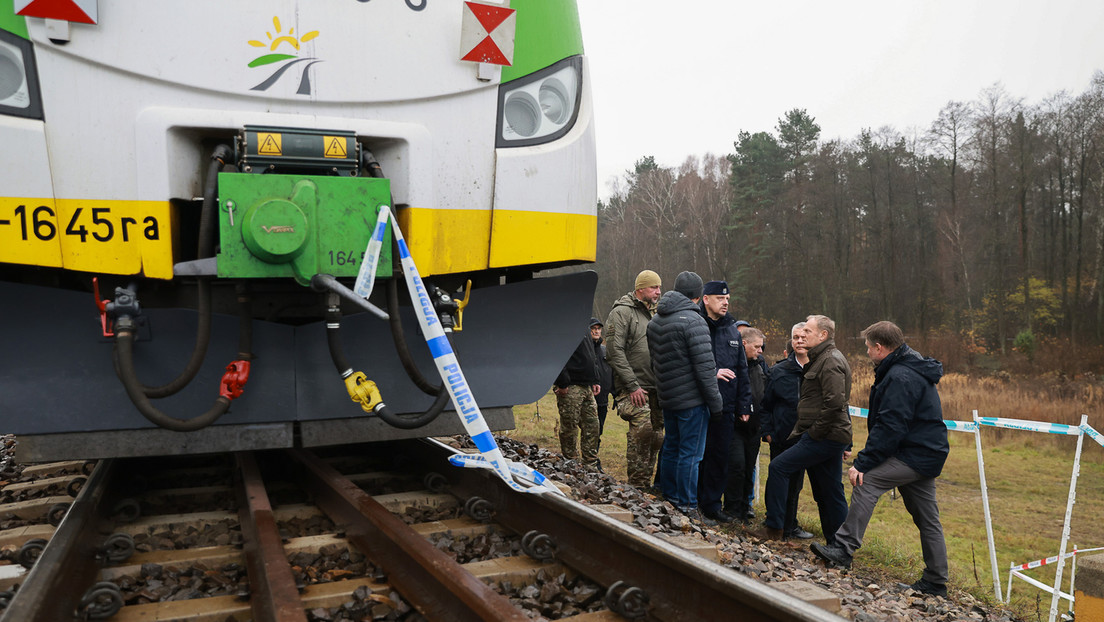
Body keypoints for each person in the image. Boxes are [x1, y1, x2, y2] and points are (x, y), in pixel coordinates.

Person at [811, 321, 950, 598]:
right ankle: (936, 582)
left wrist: (863, 462)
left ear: (879, 347)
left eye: (867, 347)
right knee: (928, 519)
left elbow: (891, 426)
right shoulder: (908, 366)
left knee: (867, 481)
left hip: (915, 453)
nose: (866, 352)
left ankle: (843, 549)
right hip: (925, 452)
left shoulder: (900, 376)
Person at [758, 314, 851, 542]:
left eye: (808, 331)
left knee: (779, 467)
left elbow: (835, 403)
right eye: (799, 334)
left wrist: (813, 432)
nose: (802, 336)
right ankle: (837, 544)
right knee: (828, 490)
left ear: (823, 335)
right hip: (824, 434)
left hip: (823, 436)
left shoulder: (830, 361)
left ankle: (774, 529)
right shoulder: (820, 358)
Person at [647, 271, 723, 523]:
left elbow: (654, 363)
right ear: (698, 296)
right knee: (690, 455)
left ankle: (669, 497)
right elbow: (705, 369)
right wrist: (716, 404)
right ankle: (687, 505)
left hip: (668, 397)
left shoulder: (655, 321)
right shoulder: (694, 322)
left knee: (671, 448)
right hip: (692, 400)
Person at [696, 281, 752, 523]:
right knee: (698, 455)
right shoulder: (697, 324)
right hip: (699, 402)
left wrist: (744, 404)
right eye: (720, 298)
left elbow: (742, 369)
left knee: (719, 457)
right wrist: (712, 374)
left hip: (726, 405)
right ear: (706, 299)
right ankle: (691, 501)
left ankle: (711, 506)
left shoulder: (732, 330)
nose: (725, 302)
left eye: (727, 299)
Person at [605, 270, 664, 488]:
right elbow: (614, 351)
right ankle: (637, 486)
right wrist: (632, 385)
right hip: (633, 388)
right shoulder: (622, 312)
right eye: (654, 287)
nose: (658, 292)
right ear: (640, 289)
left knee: (657, 437)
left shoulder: (657, 314)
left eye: (659, 287)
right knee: (642, 432)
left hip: (656, 388)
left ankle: (646, 485)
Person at [759, 324, 815, 539]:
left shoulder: (821, 369)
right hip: (782, 437)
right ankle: (774, 524)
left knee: (796, 485)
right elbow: (766, 405)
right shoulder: (778, 371)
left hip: (810, 438)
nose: (799, 341)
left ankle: (790, 526)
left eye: (803, 337)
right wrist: (768, 431)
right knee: (778, 482)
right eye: (795, 337)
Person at [725, 324, 764, 523]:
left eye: (761, 347)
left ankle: (743, 509)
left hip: (754, 428)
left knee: (749, 468)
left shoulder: (759, 366)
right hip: (734, 427)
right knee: (737, 466)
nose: (760, 351)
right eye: (756, 347)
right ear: (744, 343)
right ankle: (731, 509)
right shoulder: (732, 365)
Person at [552, 323, 602, 469]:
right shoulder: (564, 325)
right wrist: (562, 382)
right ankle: (571, 463)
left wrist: (595, 379)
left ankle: (590, 464)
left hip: (587, 386)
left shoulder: (583, 326)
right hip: (571, 386)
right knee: (570, 426)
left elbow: (591, 355)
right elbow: (556, 354)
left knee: (592, 425)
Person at [591, 317, 614, 444]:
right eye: (593, 328)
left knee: (599, 430)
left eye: (598, 328)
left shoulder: (605, 350)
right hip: (587, 398)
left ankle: (594, 453)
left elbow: (612, 372)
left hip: (603, 400)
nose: (596, 331)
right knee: (588, 430)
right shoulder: (584, 349)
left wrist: (615, 393)